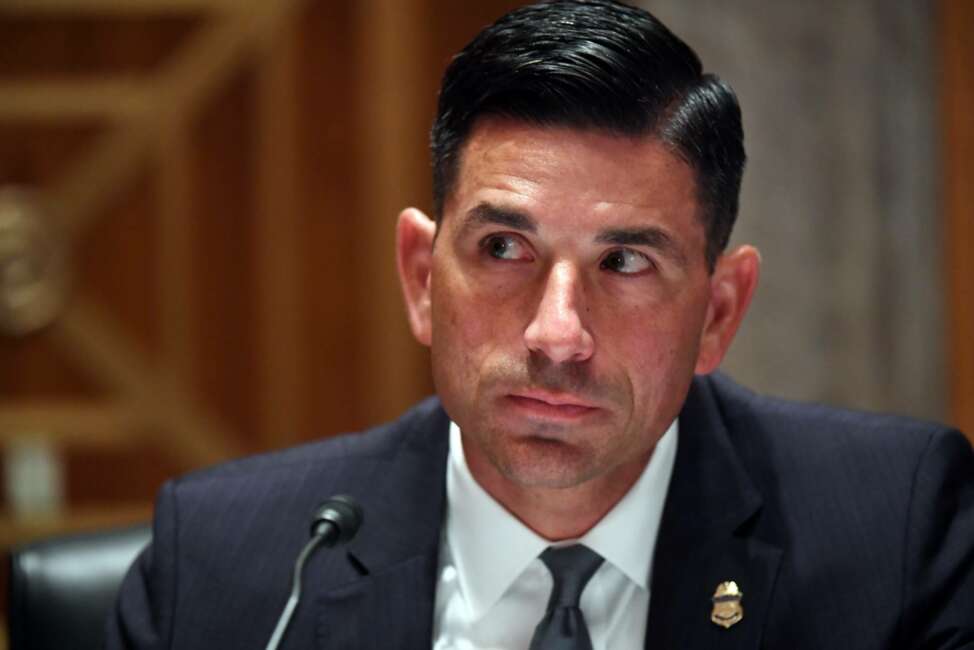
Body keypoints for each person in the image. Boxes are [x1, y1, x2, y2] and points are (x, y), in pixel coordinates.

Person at [106, 1, 974, 648]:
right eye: (504, 248)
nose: (558, 334)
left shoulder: (893, 534)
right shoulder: (227, 568)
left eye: (626, 263)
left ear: (718, 313)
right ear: (420, 276)